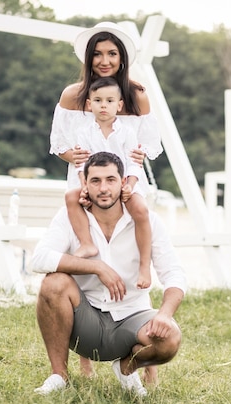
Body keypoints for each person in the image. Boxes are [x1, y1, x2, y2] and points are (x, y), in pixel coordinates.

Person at [49, 21, 164, 381]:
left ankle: (141, 357)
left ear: (123, 57)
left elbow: (151, 145)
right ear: (88, 56)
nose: (104, 60)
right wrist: (75, 160)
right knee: (87, 258)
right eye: (97, 53)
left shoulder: (136, 96)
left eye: (112, 53)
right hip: (86, 180)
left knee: (127, 256)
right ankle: (83, 356)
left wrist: (136, 168)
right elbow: (58, 143)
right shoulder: (74, 95)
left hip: (126, 181)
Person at [31, 152, 186, 396]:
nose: (103, 188)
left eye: (111, 180)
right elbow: (39, 258)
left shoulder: (148, 221)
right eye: (96, 181)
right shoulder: (69, 217)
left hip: (132, 318)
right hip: (84, 320)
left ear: (123, 182)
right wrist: (97, 267)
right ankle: (59, 375)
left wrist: (165, 315)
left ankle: (126, 368)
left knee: (171, 338)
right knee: (53, 282)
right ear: (85, 184)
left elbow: (174, 274)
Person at [66, 76, 153, 290]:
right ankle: (87, 243)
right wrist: (85, 185)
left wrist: (129, 186)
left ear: (119, 105)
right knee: (71, 197)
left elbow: (134, 164)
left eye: (109, 101)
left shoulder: (127, 132)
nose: (103, 105)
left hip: (124, 183)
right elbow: (81, 163)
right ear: (89, 104)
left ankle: (144, 265)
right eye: (97, 101)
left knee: (141, 209)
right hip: (95, 184)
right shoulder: (83, 132)